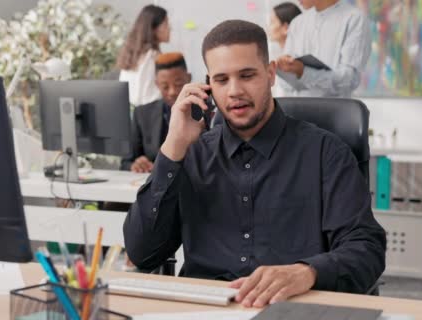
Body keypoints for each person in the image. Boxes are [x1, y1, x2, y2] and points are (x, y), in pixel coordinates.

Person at [123, 20, 385, 308]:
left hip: (292, 309)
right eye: (222, 80)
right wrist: (172, 147)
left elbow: (367, 249)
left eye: (247, 75)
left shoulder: (325, 152)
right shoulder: (191, 154)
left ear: (271, 74)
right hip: (207, 311)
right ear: (209, 84)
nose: (234, 90)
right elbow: (142, 252)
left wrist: (307, 272)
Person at [276, 0, 371, 97]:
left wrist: (303, 73)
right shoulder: (298, 23)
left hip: (336, 111)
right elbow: (286, 85)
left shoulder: (354, 19)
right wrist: (284, 68)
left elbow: (349, 80)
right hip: (298, 109)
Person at [121, 52, 191, 173]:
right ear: (157, 84)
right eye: (165, 86)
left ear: (188, 78)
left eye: (178, 84)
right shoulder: (142, 114)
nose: (172, 92)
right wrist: (136, 165)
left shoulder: (205, 112)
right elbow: (126, 162)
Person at [117, 5, 170, 106]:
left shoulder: (134, 54)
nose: (170, 28)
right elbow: (147, 97)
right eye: (166, 24)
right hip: (149, 115)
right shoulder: (151, 57)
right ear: (154, 29)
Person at [268, 2, 302, 97]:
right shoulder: (279, 54)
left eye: (272, 22)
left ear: (285, 28)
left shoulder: (294, 61)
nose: (269, 27)